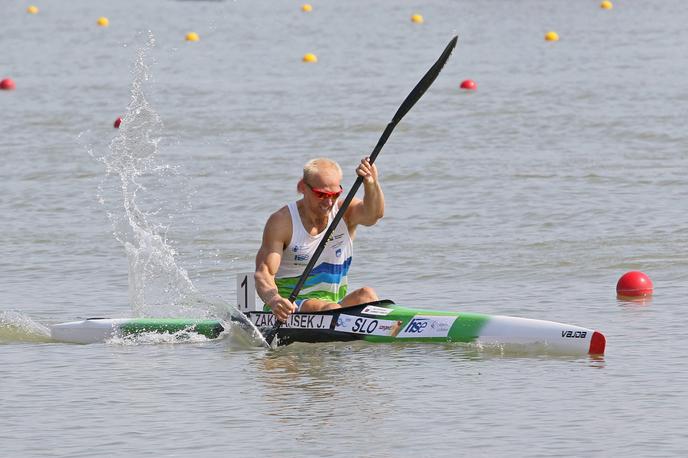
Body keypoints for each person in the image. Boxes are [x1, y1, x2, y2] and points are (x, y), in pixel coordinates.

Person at [255, 156, 384, 322]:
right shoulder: (282, 222)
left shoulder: (345, 213)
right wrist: (274, 300)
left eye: (335, 194)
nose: (329, 202)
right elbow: (263, 273)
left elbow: (374, 215)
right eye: (321, 195)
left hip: (333, 305)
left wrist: (371, 184)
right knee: (331, 308)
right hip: (289, 309)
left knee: (368, 295)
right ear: (302, 187)